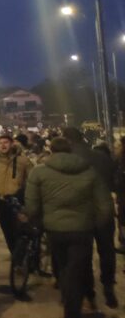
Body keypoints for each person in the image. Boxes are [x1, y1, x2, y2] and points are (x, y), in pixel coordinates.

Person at [25, 137, 113, 318]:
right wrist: (95, 224)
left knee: (65, 267)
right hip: (82, 230)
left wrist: (39, 222)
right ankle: (77, 305)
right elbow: (105, 206)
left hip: (54, 230)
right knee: (77, 268)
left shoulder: (39, 172)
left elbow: (32, 206)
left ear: (51, 151)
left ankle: (71, 306)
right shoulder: (89, 171)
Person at [63, 127, 117, 309]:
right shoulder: (101, 157)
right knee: (107, 251)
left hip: (80, 213)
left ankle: (89, 292)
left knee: (82, 255)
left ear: (68, 140)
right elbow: (112, 182)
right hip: (104, 210)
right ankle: (108, 287)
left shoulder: (68, 160)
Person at [0, 134, 31, 253]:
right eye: (0, 142)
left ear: (12, 143)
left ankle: (21, 256)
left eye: (6, 142)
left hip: (16, 200)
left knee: (19, 230)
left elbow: (31, 179)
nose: (3, 145)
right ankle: (14, 255)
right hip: (0, 199)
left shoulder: (22, 160)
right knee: (6, 230)